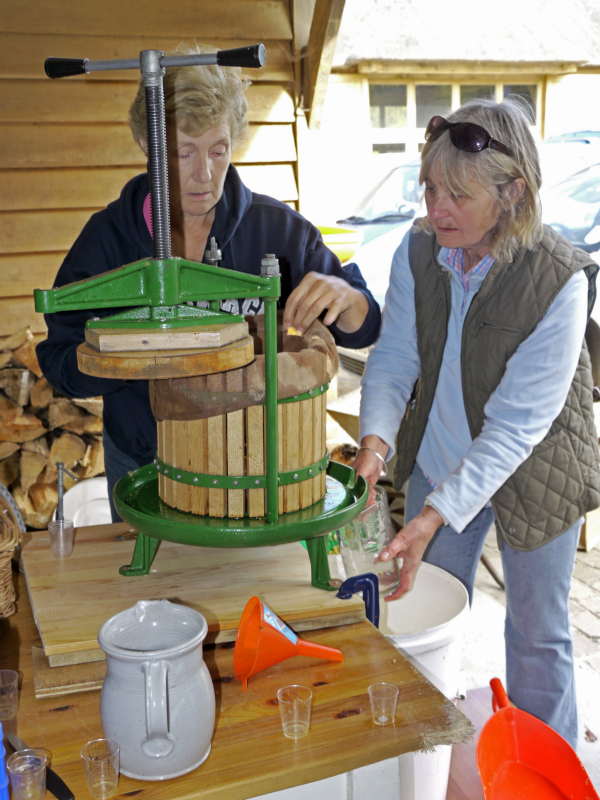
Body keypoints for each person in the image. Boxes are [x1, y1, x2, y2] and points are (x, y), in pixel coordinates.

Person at [36, 45, 381, 519]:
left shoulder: (276, 230)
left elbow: (362, 326)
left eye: (218, 151)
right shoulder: (107, 240)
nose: (204, 174)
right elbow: (58, 359)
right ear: (147, 145)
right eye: (183, 153)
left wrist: (349, 298)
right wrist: (124, 358)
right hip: (143, 460)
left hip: (256, 461)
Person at [354, 98, 600, 749]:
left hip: (537, 469)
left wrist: (432, 515)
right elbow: (396, 357)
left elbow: (518, 428)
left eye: (457, 195)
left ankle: (549, 770)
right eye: (430, 189)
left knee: (536, 634)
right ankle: (420, 755)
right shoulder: (419, 251)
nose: (437, 210)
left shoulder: (560, 280)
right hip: (441, 455)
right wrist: (374, 444)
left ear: (512, 191)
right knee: (417, 610)